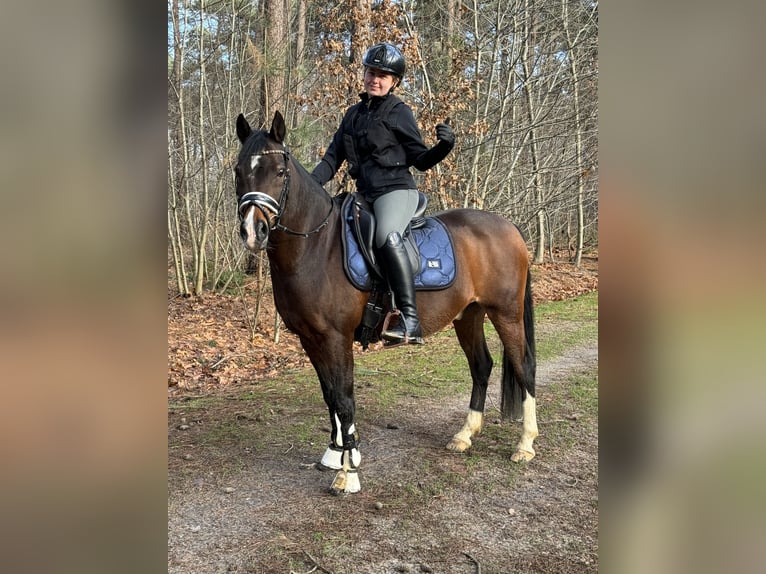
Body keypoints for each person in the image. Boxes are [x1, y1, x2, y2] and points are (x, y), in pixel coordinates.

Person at [311, 42, 455, 345]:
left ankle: (409, 319)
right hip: (364, 195)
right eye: (371, 72)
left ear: (394, 82)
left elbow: (420, 160)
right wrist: (309, 186)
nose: (375, 79)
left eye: (383, 76)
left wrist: (443, 147)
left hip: (396, 191)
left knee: (387, 236)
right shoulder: (351, 116)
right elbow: (331, 160)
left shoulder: (399, 111)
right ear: (364, 74)